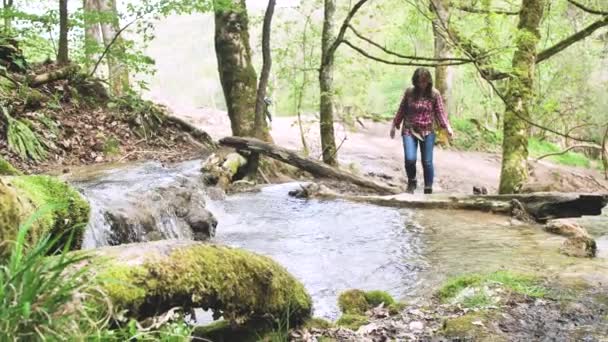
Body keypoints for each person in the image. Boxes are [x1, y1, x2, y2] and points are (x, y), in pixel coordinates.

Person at [390, 67, 454, 194]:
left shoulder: (435, 94)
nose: (422, 84)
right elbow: (402, 109)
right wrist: (394, 124)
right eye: (419, 82)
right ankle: (412, 181)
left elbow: (440, 112)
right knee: (410, 158)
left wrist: (447, 127)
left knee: (427, 161)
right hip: (409, 129)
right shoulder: (409, 92)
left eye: (424, 82)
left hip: (428, 131)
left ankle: (428, 188)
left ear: (429, 81)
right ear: (415, 81)